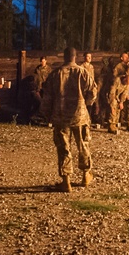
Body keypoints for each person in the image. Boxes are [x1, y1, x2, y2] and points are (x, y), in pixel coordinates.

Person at [40, 47, 98, 192]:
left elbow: (47, 98)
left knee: (63, 148)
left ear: (64, 57)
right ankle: (85, 175)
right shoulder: (82, 72)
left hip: (60, 116)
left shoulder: (55, 74)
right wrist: (86, 103)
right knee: (83, 145)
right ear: (75, 57)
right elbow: (93, 91)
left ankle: (66, 181)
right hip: (79, 116)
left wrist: (47, 115)